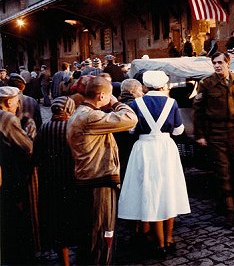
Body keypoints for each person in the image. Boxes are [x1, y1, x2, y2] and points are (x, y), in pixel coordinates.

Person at [118, 71, 190, 259]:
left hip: (145, 149)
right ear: (163, 85)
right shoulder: (171, 103)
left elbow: (131, 129)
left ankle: (158, 243)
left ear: (145, 86)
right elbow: (178, 130)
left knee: (151, 192)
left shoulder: (136, 103)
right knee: (168, 191)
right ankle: (169, 239)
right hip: (166, 148)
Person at [66, 77, 138, 265]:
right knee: (102, 234)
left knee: (91, 235)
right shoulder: (90, 117)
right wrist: (116, 102)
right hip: (98, 183)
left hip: (89, 181)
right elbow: (131, 119)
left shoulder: (81, 112)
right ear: (101, 95)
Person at [193, 52, 234, 228]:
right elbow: (197, 110)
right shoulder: (207, 83)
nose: (217, 66)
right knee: (223, 170)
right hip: (216, 133)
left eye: (220, 62)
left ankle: (222, 203)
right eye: (214, 63)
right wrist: (200, 135)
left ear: (228, 63)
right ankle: (229, 211)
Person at [34, 96, 78, 266]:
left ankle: (64, 261)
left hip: (51, 182)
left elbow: (35, 154)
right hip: (73, 180)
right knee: (75, 218)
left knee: (57, 222)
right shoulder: (74, 127)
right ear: (70, 109)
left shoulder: (45, 127)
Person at [0, 86, 35, 264]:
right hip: (8, 177)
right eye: (16, 101)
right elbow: (28, 147)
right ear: (8, 102)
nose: (19, 104)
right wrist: (30, 130)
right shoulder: (6, 117)